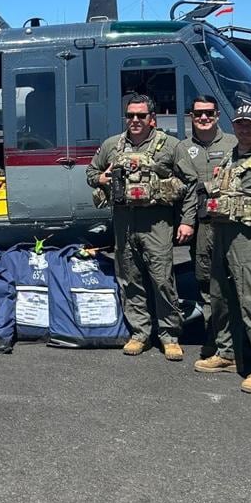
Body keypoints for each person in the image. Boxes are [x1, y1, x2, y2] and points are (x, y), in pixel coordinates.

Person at [86, 94, 191, 360]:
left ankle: (169, 335)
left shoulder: (171, 146)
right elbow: (91, 173)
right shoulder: (112, 145)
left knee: (162, 279)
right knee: (130, 278)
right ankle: (139, 333)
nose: (135, 120)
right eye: (130, 115)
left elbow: (190, 184)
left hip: (157, 222)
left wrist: (187, 221)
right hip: (124, 221)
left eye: (141, 116)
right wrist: (102, 178)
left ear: (152, 118)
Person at [194, 102, 251, 394]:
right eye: (240, 123)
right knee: (221, 298)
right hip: (222, 236)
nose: (245, 128)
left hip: (250, 240)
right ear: (233, 126)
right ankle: (228, 353)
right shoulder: (230, 157)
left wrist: (250, 212)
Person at [172, 95, 236, 357]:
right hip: (202, 227)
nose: (204, 118)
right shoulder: (183, 148)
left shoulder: (234, 144)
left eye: (209, 112)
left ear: (217, 115)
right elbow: (184, 189)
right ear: (192, 117)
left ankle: (236, 342)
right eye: (198, 113)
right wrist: (186, 221)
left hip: (231, 226)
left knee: (235, 284)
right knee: (207, 285)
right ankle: (215, 339)